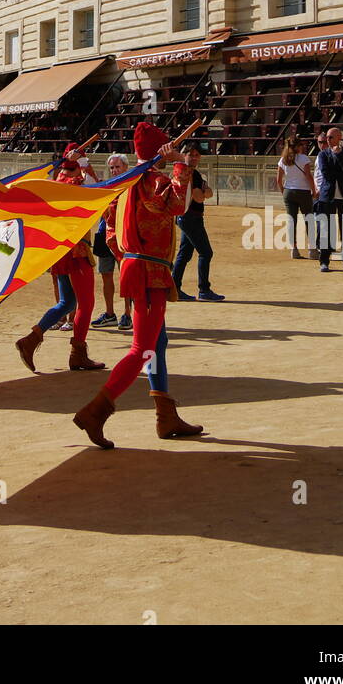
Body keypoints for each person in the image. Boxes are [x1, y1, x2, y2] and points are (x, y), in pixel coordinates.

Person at [73, 123, 202, 449]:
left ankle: (165, 414)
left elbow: (112, 231)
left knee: (157, 342)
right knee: (142, 348)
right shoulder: (156, 181)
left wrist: (127, 260)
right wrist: (180, 163)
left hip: (134, 267)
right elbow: (179, 206)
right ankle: (96, 411)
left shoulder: (128, 185)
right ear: (161, 150)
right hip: (150, 272)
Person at [15, 143, 105, 374]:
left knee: (67, 302)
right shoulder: (80, 180)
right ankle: (78, 353)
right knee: (85, 303)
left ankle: (31, 340)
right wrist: (85, 166)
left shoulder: (58, 179)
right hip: (77, 250)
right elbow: (98, 188)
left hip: (61, 249)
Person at [173, 143, 224, 301]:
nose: (194, 157)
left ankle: (174, 288)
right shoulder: (188, 173)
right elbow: (200, 196)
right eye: (191, 154)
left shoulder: (191, 173)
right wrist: (204, 191)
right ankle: (204, 290)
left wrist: (204, 191)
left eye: (197, 155)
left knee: (185, 253)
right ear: (184, 154)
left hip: (187, 217)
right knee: (206, 252)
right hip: (191, 218)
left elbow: (208, 192)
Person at [92, 153, 129, 328]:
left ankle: (128, 313)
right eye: (112, 168)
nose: (114, 170)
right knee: (106, 275)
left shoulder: (130, 186)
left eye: (117, 167)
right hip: (104, 234)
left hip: (122, 236)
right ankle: (109, 313)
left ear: (125, 168)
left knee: (126, 276)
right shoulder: (107, 187)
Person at [316, 127, 343, 271]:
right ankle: (324, 261)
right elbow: (326, 174)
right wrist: (341, 172)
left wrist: (338, 157)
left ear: (339, 138)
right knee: (326, 229)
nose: (328, 140)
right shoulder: (323, 155)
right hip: (328, 196)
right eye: (327, 137)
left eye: (331, 137)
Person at [276, 136, 316, 260]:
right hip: (303, 192)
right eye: (301, 145)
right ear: (298, 146)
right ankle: (312, 250)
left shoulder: (283, 159)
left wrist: (284, 192)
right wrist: (313, 190)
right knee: (309, 219)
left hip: (289, 191)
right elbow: (309, 176)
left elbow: (278, 180)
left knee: (291, 221)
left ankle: (294, 249)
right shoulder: (303, 158)